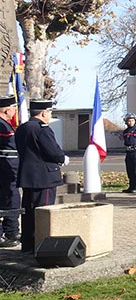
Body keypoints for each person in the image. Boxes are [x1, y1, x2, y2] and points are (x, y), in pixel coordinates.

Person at [16, 100, 66, 254]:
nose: (50, 115)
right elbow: (52, 151)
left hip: (28, 176)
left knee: (29, 211)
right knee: (43, 211)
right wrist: (62, 158)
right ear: (44, 113)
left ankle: (28, 244)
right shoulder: (42, 129)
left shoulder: (22, 128)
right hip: (44, 177)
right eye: (50, 112)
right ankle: (41, 245)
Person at [0, 96, 19, 248]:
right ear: (7, 110)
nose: (15, 111)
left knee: (11, 201)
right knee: (10, 200)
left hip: (8, 171)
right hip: (5, 170)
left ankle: (10, 230)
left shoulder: (5, 125)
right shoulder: (1, 126)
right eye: (13, 108)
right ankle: (6, 232)